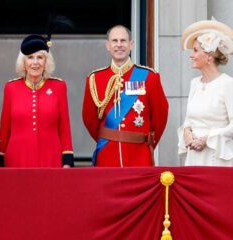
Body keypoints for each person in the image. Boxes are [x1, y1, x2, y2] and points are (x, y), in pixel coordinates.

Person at [82, 25, 169, 167]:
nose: (119, 45)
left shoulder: (149, 77)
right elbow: (89, 119)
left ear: (131, 44)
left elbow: (160, 116)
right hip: (107, 155)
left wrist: (145, 141)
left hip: (139, 155)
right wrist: (108, 138)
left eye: (123, 41)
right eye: (114, 41)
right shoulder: (95, 78)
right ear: (107, 45)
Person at [0, 34, 74, 168]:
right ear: (23, 62)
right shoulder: (11, 88)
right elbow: (5, 129)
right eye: (30, 57)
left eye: (40, 57)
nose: (35, 62)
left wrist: (67, 160)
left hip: (51, 157)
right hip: (17, 158)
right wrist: (0, 158)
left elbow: (64, 127)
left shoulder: (59, 87)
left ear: (46, 62)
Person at [178, 19, 233, 166]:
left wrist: (207, 139)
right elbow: (189, 120)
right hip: (194, 157)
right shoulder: (194, 84)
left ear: (209, 57)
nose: (191, 55)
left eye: (196, 50)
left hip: (217, 158)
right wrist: (187, 133)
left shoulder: (228, 84)